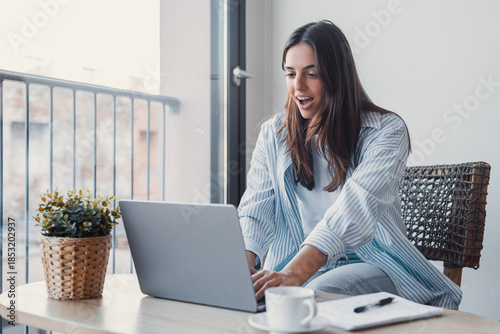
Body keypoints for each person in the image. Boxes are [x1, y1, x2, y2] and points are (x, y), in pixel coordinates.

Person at [238, 20, 462, 309]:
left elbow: (355, 210)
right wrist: (243, 270)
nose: (298, 86)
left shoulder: (385, 132)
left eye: (312, 74)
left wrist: (293, 275)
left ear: (336, 76)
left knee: (315, 293)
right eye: (290, 74)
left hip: (373, 265)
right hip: (295, 268)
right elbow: (257, 208)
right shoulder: (274, 133)